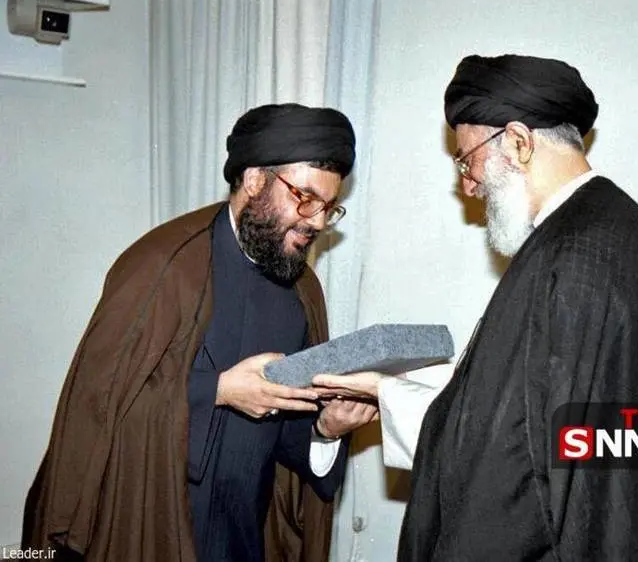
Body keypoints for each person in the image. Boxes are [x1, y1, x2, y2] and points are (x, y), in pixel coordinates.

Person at [315, 54, 638, 561]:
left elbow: (525, 454)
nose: (467, 185)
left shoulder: (574, 254)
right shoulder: (609, 227)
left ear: (519, 141)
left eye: (467, 160)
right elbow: (551, 412)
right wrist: (434, 387)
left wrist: (384, 392)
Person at [21, 102, 378, 562]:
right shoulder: (161, 265)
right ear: (255, 180)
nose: (318, 222)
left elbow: (285, 432)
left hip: (245, 539)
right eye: (305, 198)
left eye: (329, 207)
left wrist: (326, 429)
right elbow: (97, 409)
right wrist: (219, 391)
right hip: (151, 531)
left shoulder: (303, 290)